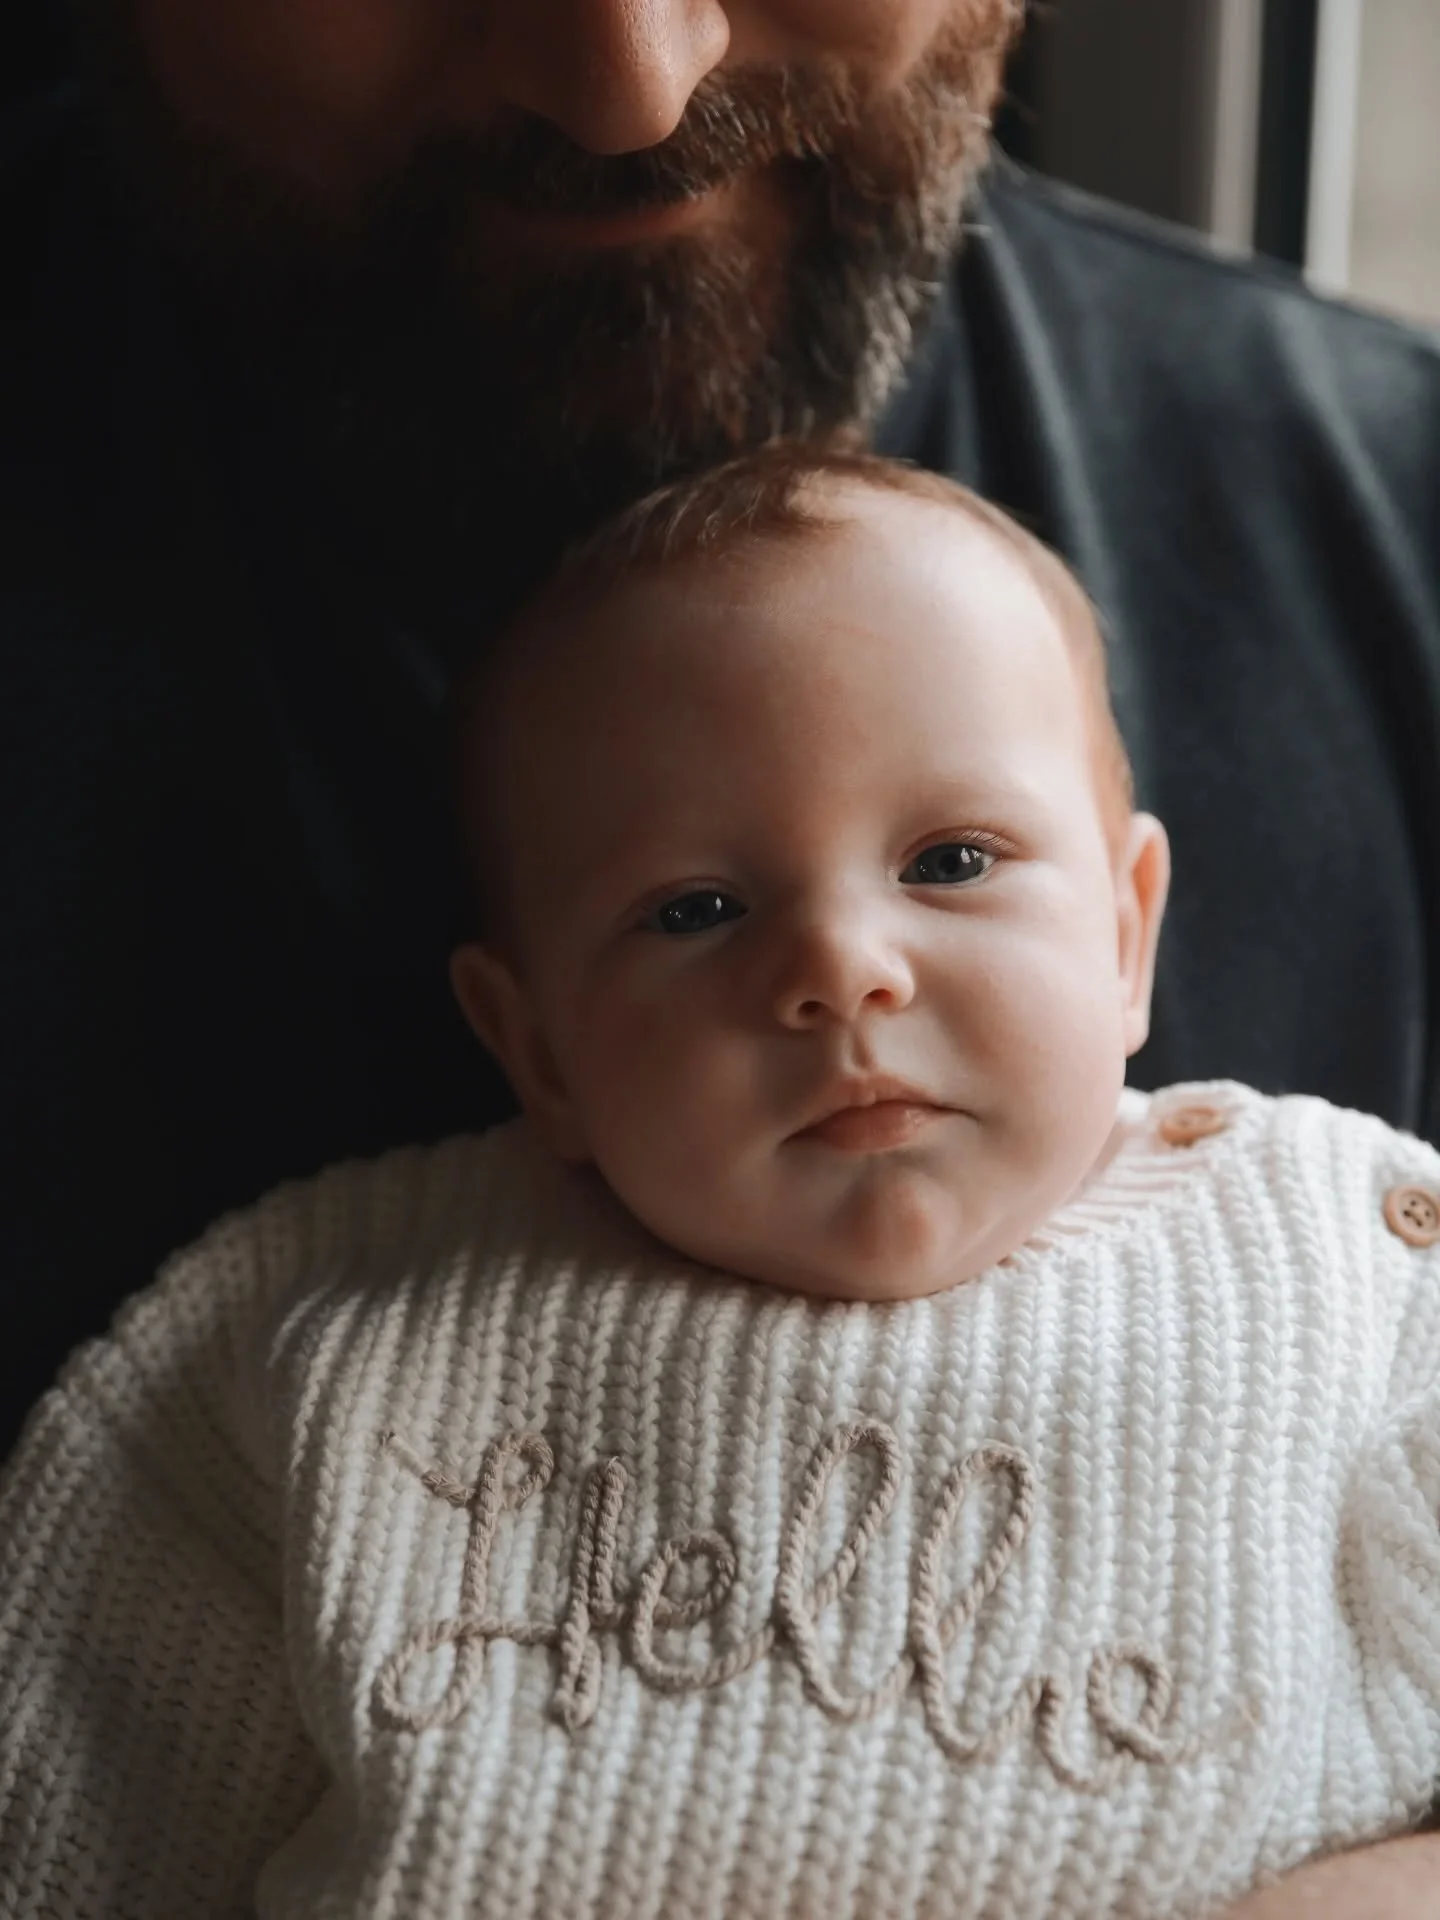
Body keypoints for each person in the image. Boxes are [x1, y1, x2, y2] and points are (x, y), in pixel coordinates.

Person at [4, 447, 1439, 1918]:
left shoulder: (1356, 1265)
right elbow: (71, 1831)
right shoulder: (313, 1331)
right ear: (538, 1047)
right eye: (697, 909)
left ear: (1126, 937)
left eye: (952, 860)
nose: (842, 969)